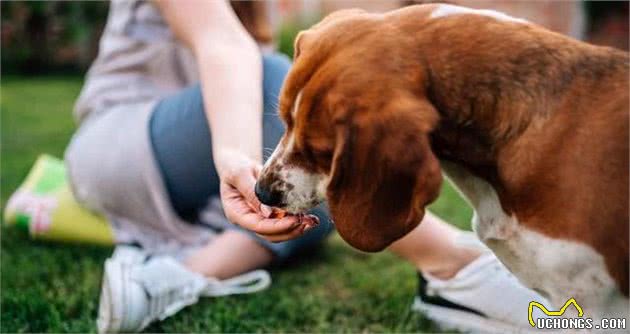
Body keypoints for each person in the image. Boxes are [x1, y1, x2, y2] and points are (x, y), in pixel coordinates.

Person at [58, 1, 547, 332]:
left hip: (208, 159)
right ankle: (451, 263)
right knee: (289, 86)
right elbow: (224, 46)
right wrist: (235, 156)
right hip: (121, 142)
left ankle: (166, 279)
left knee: (306, 206)